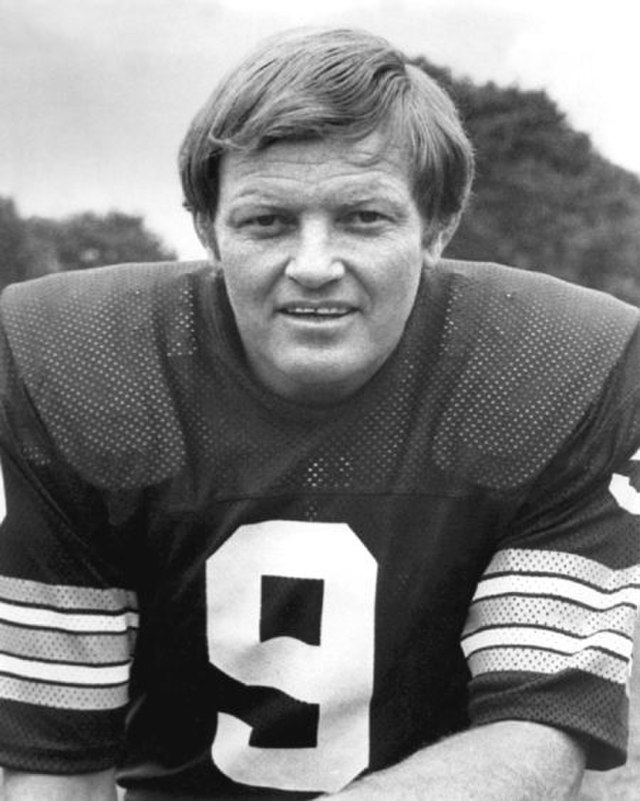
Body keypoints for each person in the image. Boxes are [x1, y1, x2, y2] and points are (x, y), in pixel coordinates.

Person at [0, 26, 639, 801]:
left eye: (363, 218)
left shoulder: (554, 372)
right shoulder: (78, 373)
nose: (312, 264)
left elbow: (533, 738)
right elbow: (57, 764)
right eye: (266, 221)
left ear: (434, 228)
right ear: (208, 230)